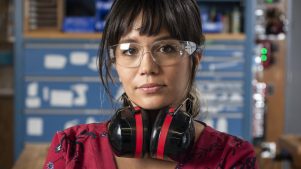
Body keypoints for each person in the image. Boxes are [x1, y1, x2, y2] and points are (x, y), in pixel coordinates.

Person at [44, 0, 258, 168]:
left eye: (166, 48)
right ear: (115, 63)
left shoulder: (232, 158)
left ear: (195, 60)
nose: (147, 67)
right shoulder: (71, 151)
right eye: (130, 50)